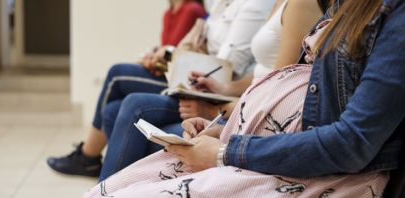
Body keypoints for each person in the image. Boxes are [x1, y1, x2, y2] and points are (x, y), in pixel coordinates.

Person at [76, 0, 405, 198]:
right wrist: (227, 126)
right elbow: (303, 89)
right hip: (263, 143)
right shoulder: (346, 4)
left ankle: (86, 157)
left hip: (317, 178)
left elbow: (349, 142)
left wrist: (225, 151)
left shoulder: (394, 14)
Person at [97, 0, 325, 182]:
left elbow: (276, 92)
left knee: (133, 104)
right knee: (114, 111)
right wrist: (223, 88)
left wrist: (215, 107)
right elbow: (260, 73)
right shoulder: (277, 3)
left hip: (255, 116)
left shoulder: (299, 4)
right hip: (245, 100)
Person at [48, 0, 275, 178]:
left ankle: (95, 178)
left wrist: (170, 55)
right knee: (112, 110)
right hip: (201, 81)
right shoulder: (217, 5)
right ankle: (112, 197)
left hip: (213, 90)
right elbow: (199, 51)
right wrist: (165, 55)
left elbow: (226, 64)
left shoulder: (214, 7)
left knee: (124, 87)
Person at [46, 0, 206, 177]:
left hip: (183, 80)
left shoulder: (192, 9)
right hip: (168, 73)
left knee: (117, 74)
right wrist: (154, 56)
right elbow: (166, 52)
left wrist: (159, 56)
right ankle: (105, 172)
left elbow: (178, 57)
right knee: (111, 110)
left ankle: (88, 156)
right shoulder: (169, 13)